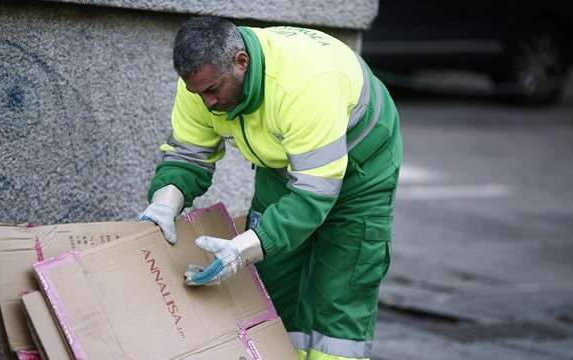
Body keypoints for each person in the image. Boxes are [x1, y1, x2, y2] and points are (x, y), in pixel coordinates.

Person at [140, 16, 402, 360]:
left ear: (241, 62)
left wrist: (245, 247)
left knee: (340, 293)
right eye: (197, 92)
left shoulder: (306, 85)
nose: (207, 103)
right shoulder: (202, 82)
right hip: (282, 169)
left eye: (212, 90)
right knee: (272, 285)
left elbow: (313, 195)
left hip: (362, 172)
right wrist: (164, 202)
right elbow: (189, 155)